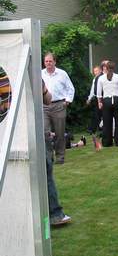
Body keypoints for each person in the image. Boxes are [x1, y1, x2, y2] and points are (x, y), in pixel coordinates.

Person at [42, 80, 71, 225]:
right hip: (37, 132)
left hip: (40, 130)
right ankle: (55, 214)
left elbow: (47, 99)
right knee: (46, 173)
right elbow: (47, 99)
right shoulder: (34, 75)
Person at [42, 52, 75, 164]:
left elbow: (70, 88)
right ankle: (48, 157)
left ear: (54, 62)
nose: (48, 63)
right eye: (46, 61)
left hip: (59, 105)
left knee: (59, 133)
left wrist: (67, 101)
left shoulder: (62, 74)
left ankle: (60, 157)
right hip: (44, 106)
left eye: (50, 61)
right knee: (45, 132)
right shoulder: (40, 74)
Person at [97, 61, 118, 147]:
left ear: (105, 68)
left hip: (106, 101)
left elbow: (99, 93)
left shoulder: (101, 78)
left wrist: (99, 102)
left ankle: (107, 141)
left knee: (107, 122)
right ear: (113, 68)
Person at [86, 64, 104, 134]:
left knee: (99, 114)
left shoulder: (103, 77)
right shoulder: (95, 79)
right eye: (94, 71)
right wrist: (89, 98)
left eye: (96, 71)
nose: (95, 73)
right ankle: (94, 128)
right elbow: (93, 90)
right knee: (97, 114)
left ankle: (95, 128)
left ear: (100, 70)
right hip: (97, 98)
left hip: (103, 98)